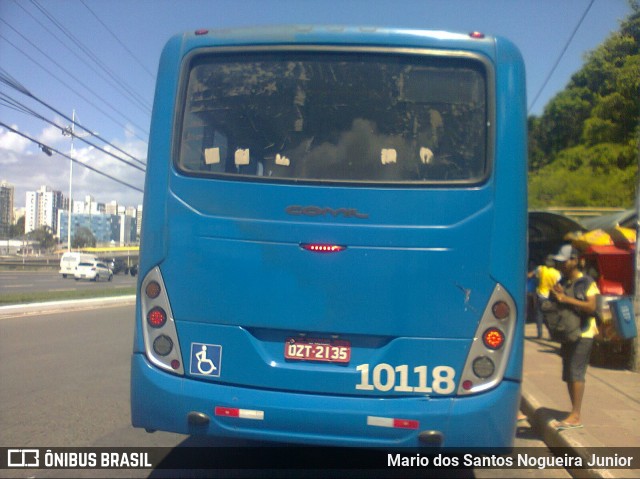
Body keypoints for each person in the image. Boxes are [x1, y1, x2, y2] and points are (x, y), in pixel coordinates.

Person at [548, 244, 599, 431]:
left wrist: (565, 299)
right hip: (568, 333)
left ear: (575, 260)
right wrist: (557, 296)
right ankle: (573, 413)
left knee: (576, 372)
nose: (561, 264)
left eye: (564, 261)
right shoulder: (565, 281)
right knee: (569, 373)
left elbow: (591, 307)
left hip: (583, 333)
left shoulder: (586, 282)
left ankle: (576, 416)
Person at [527, 255, 562, 338]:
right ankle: (552, 334)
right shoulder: (557, 273)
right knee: (550, 316)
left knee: (539, 315)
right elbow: (558, 285)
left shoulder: (540, 269)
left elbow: (529, 275)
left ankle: (539, 334)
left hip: (540, 295)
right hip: (552, 296)